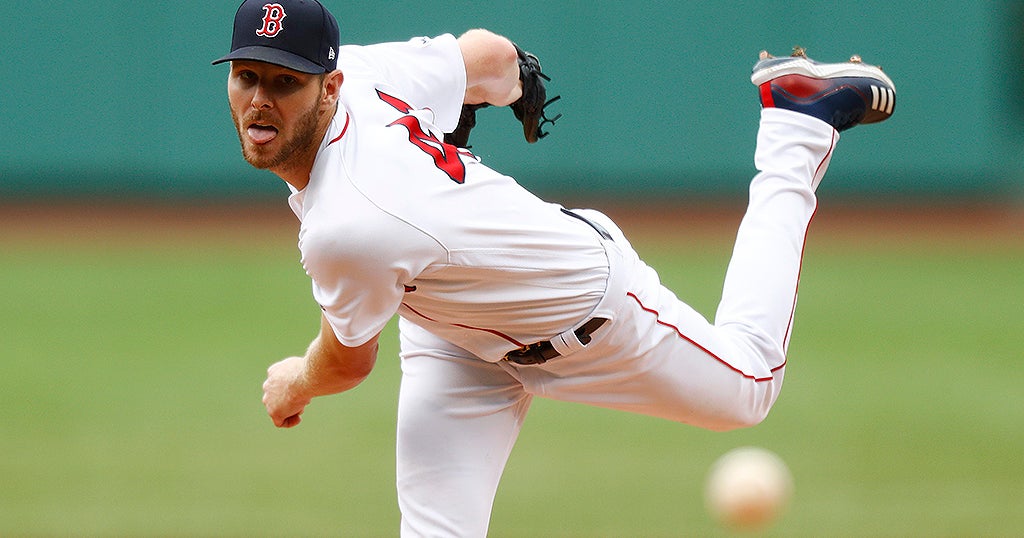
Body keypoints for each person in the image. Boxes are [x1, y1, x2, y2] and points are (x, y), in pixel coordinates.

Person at [213, 1, 895, 535]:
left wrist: (295, 385)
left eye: (285, 82)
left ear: (328, 85)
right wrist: (508, 86)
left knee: (749, 386)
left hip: (588, 309)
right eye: (248, 77)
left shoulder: (348, 223)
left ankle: (796, 127)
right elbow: (485, 54)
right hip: (454, 332)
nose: (261, 100)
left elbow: (346, 363)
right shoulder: (363, 70)